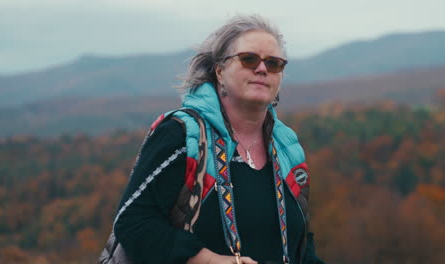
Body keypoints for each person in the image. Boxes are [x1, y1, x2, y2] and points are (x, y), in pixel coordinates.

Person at [112, 14, 326, 264]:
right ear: (220, 71)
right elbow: (133, 223)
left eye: (274, 63)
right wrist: (209, 261)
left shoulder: (286, 145)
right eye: (248, 59)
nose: (262, 69)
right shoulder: (183, 134)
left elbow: (301, 243)